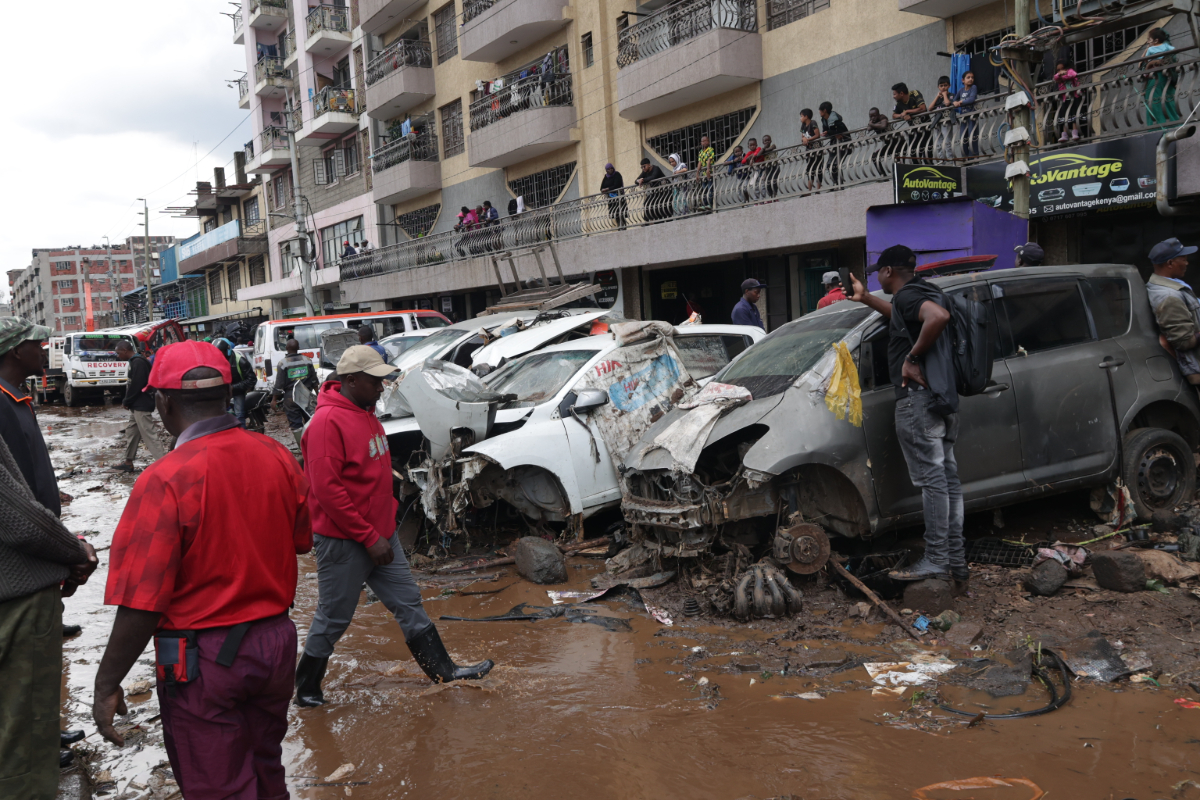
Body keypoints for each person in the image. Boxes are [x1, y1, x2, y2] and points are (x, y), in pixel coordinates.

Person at [93, 340, 312, 799]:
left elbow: (141, 603)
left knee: (219, 785)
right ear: (226, 392)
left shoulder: (164, 479)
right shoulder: (276, 456)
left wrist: (107, 682)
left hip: (202, 658)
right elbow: (300, 542)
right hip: (274, 643)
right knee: (266, 767)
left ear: (162, 401)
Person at [295, 346, 494, 706]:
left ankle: (444, 672)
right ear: (350, 380)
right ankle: (307, 689)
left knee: (408, 602)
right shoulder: (326, 424)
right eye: (375, 381)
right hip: (346, 540)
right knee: (334, 616)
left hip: (379, 534)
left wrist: (387, 516)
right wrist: (368, 537)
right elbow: (327, 492)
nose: (382, 387)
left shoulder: (365, 411)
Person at [0, 317, 98, 794]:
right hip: (23, 559)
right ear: (15, 351)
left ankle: (43, 733)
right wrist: (69, 549)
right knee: (22, 685)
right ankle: (32, 754)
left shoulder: (19, 398)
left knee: (36, 679)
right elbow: (14, 507)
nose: (44, 350)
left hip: (40, 546)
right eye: (37, 344)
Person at [848, 245, 965, 585]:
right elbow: (907, 315)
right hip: (942, 397)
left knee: (933, 483)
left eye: (878, 273)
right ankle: (954, 561)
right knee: (946, 481)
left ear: (888, 271)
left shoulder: (910, 297)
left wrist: (911, 358)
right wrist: (867, 298)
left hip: (918, 401)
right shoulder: (924, 292)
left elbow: (936, 318)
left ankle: (937, 560)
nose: (878, 277)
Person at [1146, 237, 1200, 387]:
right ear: (1170, 263)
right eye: (1183, 259)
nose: (1187, 263)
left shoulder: (1173, 286)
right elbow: (1184, 341)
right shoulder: (1168, 296)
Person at [115, 340, 166, 473]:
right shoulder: (136, 361)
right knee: (131, 432)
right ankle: (128, 461)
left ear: (125, 351)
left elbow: (137, 385)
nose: (118, 356)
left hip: (141, 404)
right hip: (136, 405)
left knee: (149, 434)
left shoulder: (139, 362)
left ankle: (165, 464)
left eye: (119, 353)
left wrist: (127, 401)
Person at [271, 337, 319, 452]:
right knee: (311, 420)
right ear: (298, 348)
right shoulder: (307, 360)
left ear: (287, 349)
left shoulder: (283, 363)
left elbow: (279, 384)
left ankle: (303, 449)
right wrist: (318, 395)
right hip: (306, 395)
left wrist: (274, 399)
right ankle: (314, 446)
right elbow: (314, 380)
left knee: (296, 423)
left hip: (290, 397)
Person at [214, 338, 256, 426]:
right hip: (222, 392)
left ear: (227, 350)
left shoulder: (240, 361)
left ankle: (242, 435)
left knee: (239, 415)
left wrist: (234, 387)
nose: (218, 354)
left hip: (237, 392)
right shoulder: (214, 361)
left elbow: (252, 379)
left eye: (220, 351)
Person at [1144, 28, 1180, 128]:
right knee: (1165, 98)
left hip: (1156, 75)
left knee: (1154, 99)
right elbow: (1173, 51)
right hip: (1166, 74)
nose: (1147, 41)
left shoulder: (1151, 49)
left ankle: (1159, 124)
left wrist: (1151, 61)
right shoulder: (1166, 46)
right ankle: (1172, 121)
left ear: (1155, 40)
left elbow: (1145, 60)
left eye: (1149, 39)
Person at [635, 157, 670, 223]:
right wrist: (639, 180)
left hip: (665, 191)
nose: (643, 168)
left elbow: (653, 177)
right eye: (641, 167)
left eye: (644, 166)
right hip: (655, 192)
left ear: (649, 165)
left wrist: (643, 180)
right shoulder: (644, 172)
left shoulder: (656, 168)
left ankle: (661, 221)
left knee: (661, 206)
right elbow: (636, 181)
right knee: (647, 203)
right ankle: (648, 221)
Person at [953, 71, 979, 156]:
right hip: (963, 118)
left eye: (972, 77)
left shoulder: (973, 88)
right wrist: (954, 103)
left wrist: (960, 102)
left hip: (972, 117)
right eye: (968, 77)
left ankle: (973, 158)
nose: (971, 79)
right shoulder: (961, 90)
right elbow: (954, 100)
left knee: (972, 138)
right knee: (963, 139)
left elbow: (971, 99)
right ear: (963, 80)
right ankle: (965, 158)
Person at [800, 109, 823, 192]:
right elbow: (802, 136)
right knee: (809, 169)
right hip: (809, 151)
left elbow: (817, 135)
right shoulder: (803, 125)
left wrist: (808, 139)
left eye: (801, 116)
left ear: (806, 116)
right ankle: (809, 190)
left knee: (818, 168)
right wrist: (804, 139)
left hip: (816, 149)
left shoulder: (813, 123)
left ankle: (818, 190)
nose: (800, 118)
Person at [600, 163, 626, 230]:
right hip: (611, 199)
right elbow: (602, 187)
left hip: (619, 197)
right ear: (606, 170)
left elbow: (617, 185)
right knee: (616, 214)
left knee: (621, 212)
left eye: (611, 168)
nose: (610, 170)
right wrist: (603, 190)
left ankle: (623, 227)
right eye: (608, 169)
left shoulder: (617, 174)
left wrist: (608, 189)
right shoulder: (606, 177)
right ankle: (619, 227)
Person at [696, 136, 716, 210]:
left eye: (706, 140)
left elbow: (709, 160)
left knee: (710, 189)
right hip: (704, 174)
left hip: (710, 173)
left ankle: (710, 204)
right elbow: (700, 162)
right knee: (704, 190)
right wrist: (697, 173)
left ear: (709, 142)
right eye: (703, 141)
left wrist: (708, 169)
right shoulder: (701, 152)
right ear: (701, 143)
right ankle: (704, 204)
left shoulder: (710, 149)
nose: (704, 142)